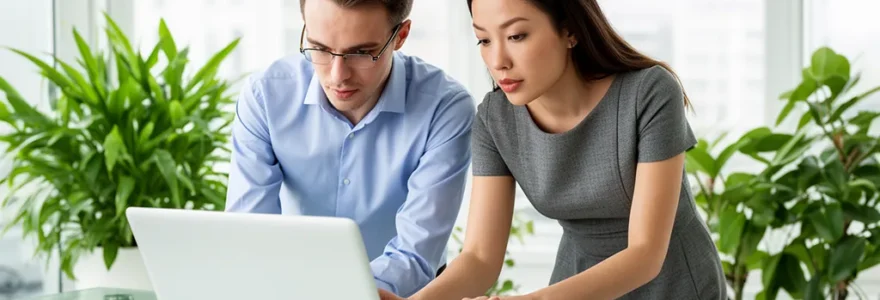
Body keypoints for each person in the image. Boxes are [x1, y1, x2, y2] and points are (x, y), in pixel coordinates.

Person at [379, 0, 726, 299]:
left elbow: (645, 253)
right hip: (573, 284)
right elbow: (481, 258)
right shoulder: (494, 119)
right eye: (483, 40)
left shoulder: (649, 93)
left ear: (570, 30)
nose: (498, 60)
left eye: (516, 36)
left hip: (674, 283)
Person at [224, 0, 475, 297]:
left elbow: (415, 255)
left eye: (361, 53)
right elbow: (250, 233)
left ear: (401, 36)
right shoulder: (265, 96)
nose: (337, 75)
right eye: (319, 48)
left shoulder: (444, 108)